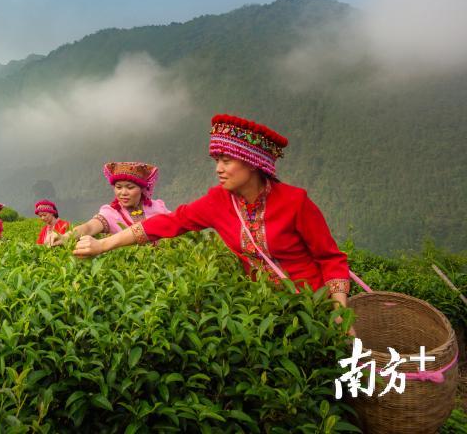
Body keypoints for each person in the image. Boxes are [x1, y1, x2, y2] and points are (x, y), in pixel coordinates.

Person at [73, 114, 354, 333]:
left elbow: (330, 258)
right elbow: (166, 224)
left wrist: (339, 314)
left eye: (226, 160)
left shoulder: (295, 202)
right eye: (216, 160)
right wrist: (103, 245)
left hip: (314, 308)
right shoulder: (217, 202)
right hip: (264, 309)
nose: (218, 169)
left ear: (252, 163)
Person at [49, 162, 170, 246]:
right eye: (118, 187)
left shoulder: (158, 207)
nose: (123, 193)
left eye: (130, 187)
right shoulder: (111, 212)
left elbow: (177, 225)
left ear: (142, 189)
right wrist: (65, 237)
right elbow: (89, 227)